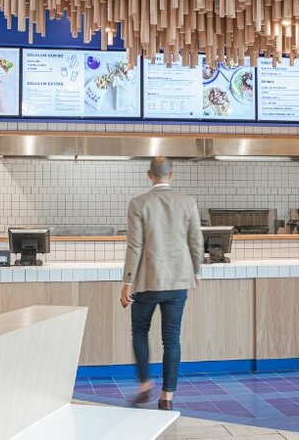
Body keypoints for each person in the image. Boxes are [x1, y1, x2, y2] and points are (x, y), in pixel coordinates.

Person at [120, 156, 203, 411]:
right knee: (172, 340)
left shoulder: (138, 203)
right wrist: (196, 272)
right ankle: (167, 396)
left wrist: (126, 282)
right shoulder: (187, 202)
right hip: (178, 282)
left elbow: (134, 246)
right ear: (172, 175)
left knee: (139, 332)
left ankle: (145, 383)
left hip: (147, 281)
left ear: (149, 175)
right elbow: (196, 241)